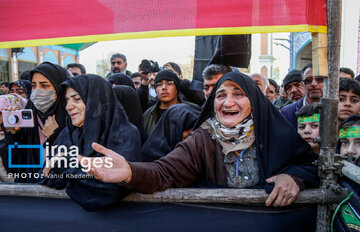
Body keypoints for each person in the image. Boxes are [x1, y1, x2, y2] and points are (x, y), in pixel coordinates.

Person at [80, 72, 319, 208]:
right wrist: (130, 171)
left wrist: (294, 177)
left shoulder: (274, 131)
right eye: (221, 95)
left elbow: (311, 165)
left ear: (254, 101)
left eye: (238, 94)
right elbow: (165, 172)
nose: (227, 103)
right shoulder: (203, 138)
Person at [41, 74, 141, 211]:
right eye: (67, 100)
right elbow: (47, 176)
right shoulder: (68, 133)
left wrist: (66, 164)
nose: (68, 107)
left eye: (77, 99)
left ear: (95, 100)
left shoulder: (124, 134)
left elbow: (111, 187)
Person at [1, 62, 68, 183]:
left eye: (45, 85)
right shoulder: (30, 113)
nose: (37, 91)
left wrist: (55, 136)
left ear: (59, 87)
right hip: (32, 190)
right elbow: (13, 166)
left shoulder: (72, 117)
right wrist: (12, 135)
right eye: (33, 86)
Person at [143, 69, 198, 134]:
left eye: (169, 83)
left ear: (177, 88)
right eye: (159, 84)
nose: (164, 87)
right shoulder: (148, 115)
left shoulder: (192, 110)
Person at [282, 64, 324, 129]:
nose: (314, 84)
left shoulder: (338, 109)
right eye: (308, 80)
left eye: (319, 79)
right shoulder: (288, 112)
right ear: (303, 83)